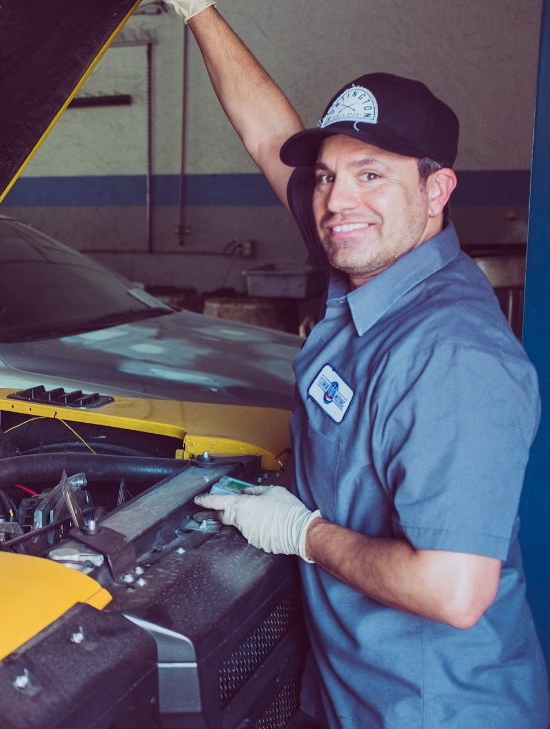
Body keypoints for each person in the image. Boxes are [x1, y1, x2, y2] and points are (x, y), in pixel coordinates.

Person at [165, 1, 550, 727]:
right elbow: (268, 135)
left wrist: (300, 531)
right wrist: (198, 12)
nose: (337, 200)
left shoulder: (453, 355)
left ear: (436, 192)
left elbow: (454, 590)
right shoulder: (370, 265)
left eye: (371, 175)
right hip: (354, 697)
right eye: (326, 176)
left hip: (434, 711)